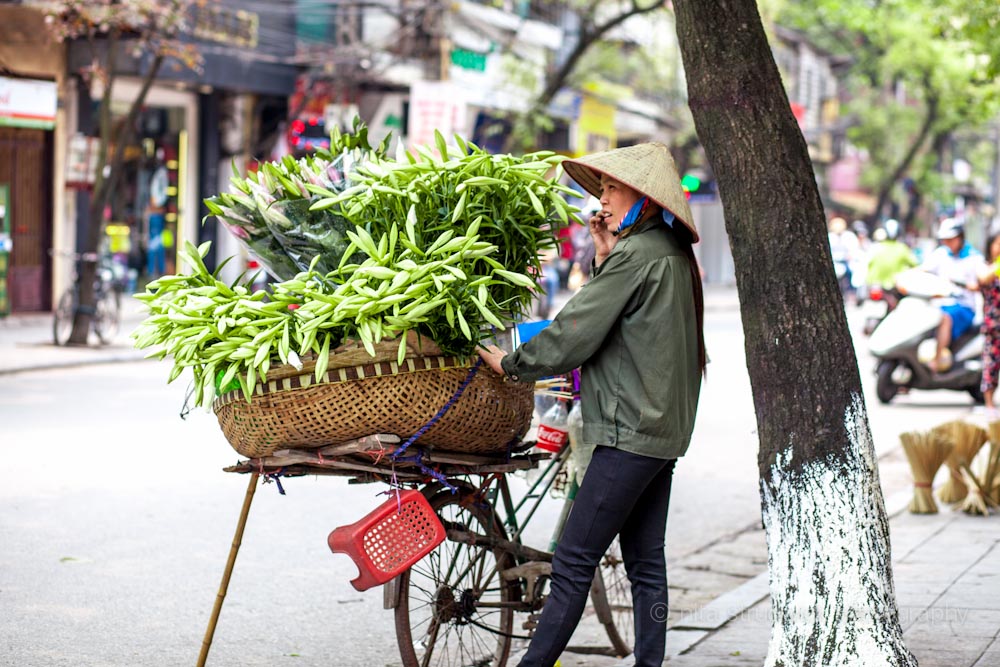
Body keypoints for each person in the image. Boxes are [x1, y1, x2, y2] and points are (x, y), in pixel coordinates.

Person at [477, 142, 706, 667]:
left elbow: (576, 329)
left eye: (610, 188)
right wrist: (603, 254)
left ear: (642, 199)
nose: (600, 200)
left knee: (574, 561)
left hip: (629, 434)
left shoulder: (639, 254)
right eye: (600, 188)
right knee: (646, 564)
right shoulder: (666, 252)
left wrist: (511, 363)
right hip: (659, 434)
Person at [920, 217, 985, 373]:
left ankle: (936, 361)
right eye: (945, 240)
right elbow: (923, 270)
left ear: (960, 237)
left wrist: (962, 284)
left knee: (945, 318)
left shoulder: (975, 258)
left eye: (951, 239)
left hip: (964, 308)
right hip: (939, 303)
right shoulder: (941, 254)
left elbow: (980, 284)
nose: (947, 243)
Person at [866, 218, 918, 310]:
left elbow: (868, 264)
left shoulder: (876, 247)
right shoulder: (902, 249)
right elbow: (915, 264)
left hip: (875, 285)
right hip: (895, 286)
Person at [976, 231, 1000, 415]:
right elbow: (983, 278)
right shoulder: (985, 267)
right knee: (990, 365)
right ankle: (989, 406)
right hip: (993, 325)